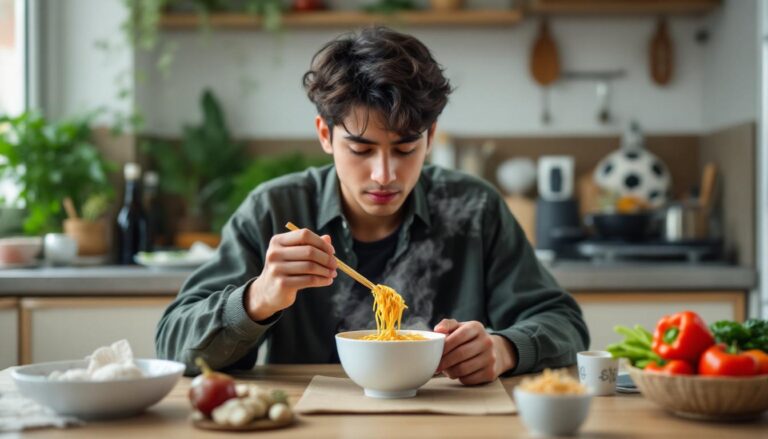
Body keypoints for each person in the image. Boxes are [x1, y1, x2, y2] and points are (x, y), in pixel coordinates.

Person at [156, 26, 589, 384]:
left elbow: (565, 323)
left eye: (405, 149)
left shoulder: (473, 208)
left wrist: (505, 348)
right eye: (361, 150)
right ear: (325, 135)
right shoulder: (274, 208)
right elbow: (174, 344)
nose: (384, 174)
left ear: (431, 136)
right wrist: (259, 297)